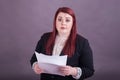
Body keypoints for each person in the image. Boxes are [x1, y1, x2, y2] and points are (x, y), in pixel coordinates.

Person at [30, 7, 94, 80]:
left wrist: (73, 71)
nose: (63, 23)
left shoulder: (82, 42)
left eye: (67, 20)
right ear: (55, 22)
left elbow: (90, 70)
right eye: (59, 19)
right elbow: (34, 59)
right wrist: (35, 66)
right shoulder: (45, 37)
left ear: (73, 23)